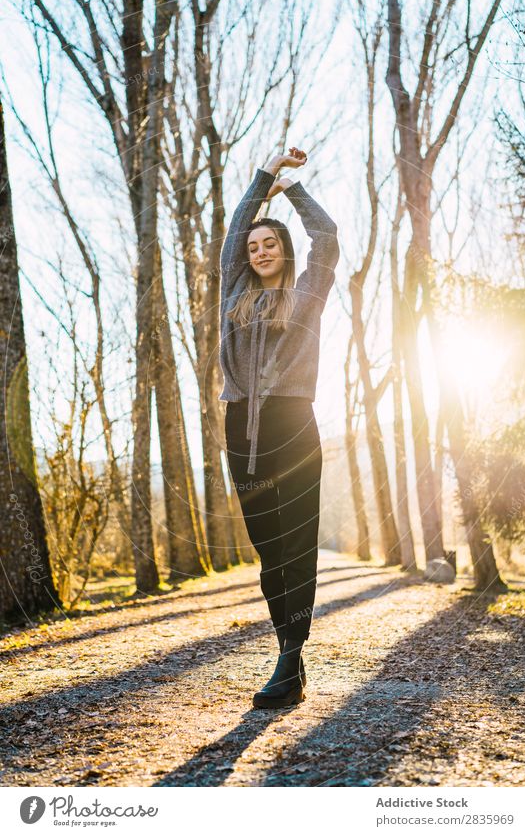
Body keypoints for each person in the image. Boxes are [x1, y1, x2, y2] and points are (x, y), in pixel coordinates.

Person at [219, 147, 340, 708]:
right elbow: (234, 234)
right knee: (268, 550)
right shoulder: (235, 296)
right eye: (254, 246)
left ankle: (290, 659)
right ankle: (288, 653)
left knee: (297, 544)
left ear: (284, 250)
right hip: (241, 427)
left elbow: (328, 236)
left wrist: (289, 189)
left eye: (270, 243)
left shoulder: (307, 296)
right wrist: (261, 175)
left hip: (294, 423)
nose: (260, 250)